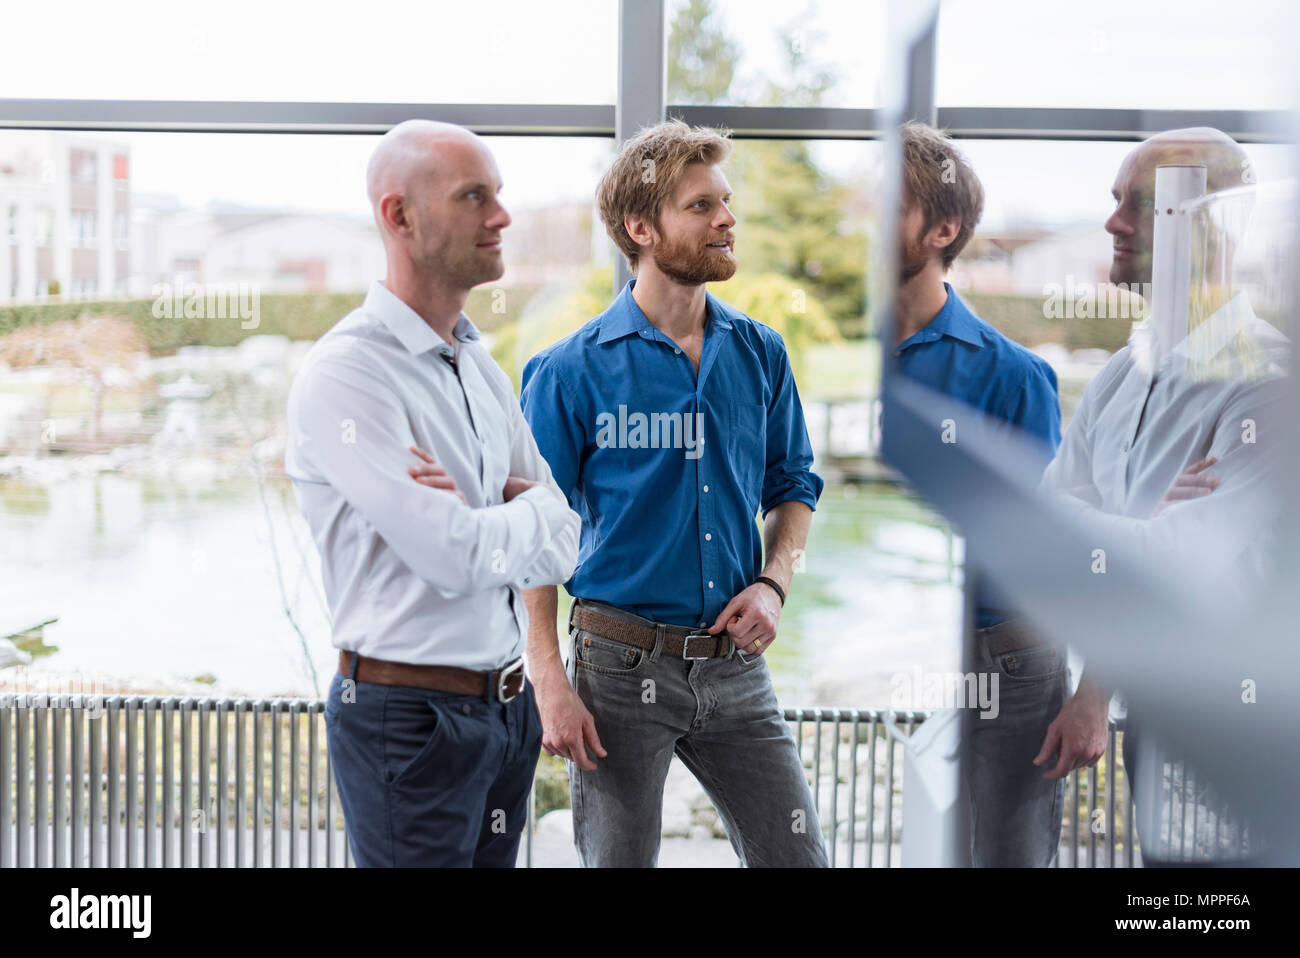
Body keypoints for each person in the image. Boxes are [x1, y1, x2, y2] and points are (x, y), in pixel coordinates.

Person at [519, 119, 828, 867]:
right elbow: (532, 534)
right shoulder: (567, 373)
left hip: (737, 666)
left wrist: (773, 585)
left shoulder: (761, 353)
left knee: (799, 859)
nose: (727, 219)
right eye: (700, 206)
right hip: (617, 670)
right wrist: (548, 679)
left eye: (726, 203)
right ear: (641, 228)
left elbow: (794, 484)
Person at [285, 120, 581, 867]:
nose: (503, 216)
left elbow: (568, 539)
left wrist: (507, 517)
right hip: (408, 723)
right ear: (400, 216)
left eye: (499, 194)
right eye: (474, 195)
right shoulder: (349, 376)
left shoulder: (481, 367)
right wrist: (526, 511)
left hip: (506, 715)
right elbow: (450, 554)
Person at [1040, 127, 1288, 863]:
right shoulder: (1121, 376)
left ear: (1210, 227)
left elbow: (1162, 560)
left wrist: (1123, 532)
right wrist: (1133, 525)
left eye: (1140, 206)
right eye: (1115, 202)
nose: (1114, 224)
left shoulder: (1269, 387)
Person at [891, 121, 1078, 866]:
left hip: (1009, 659)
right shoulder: (854, 364)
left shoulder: (1013, 376)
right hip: (908, 648)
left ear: (944, 230)